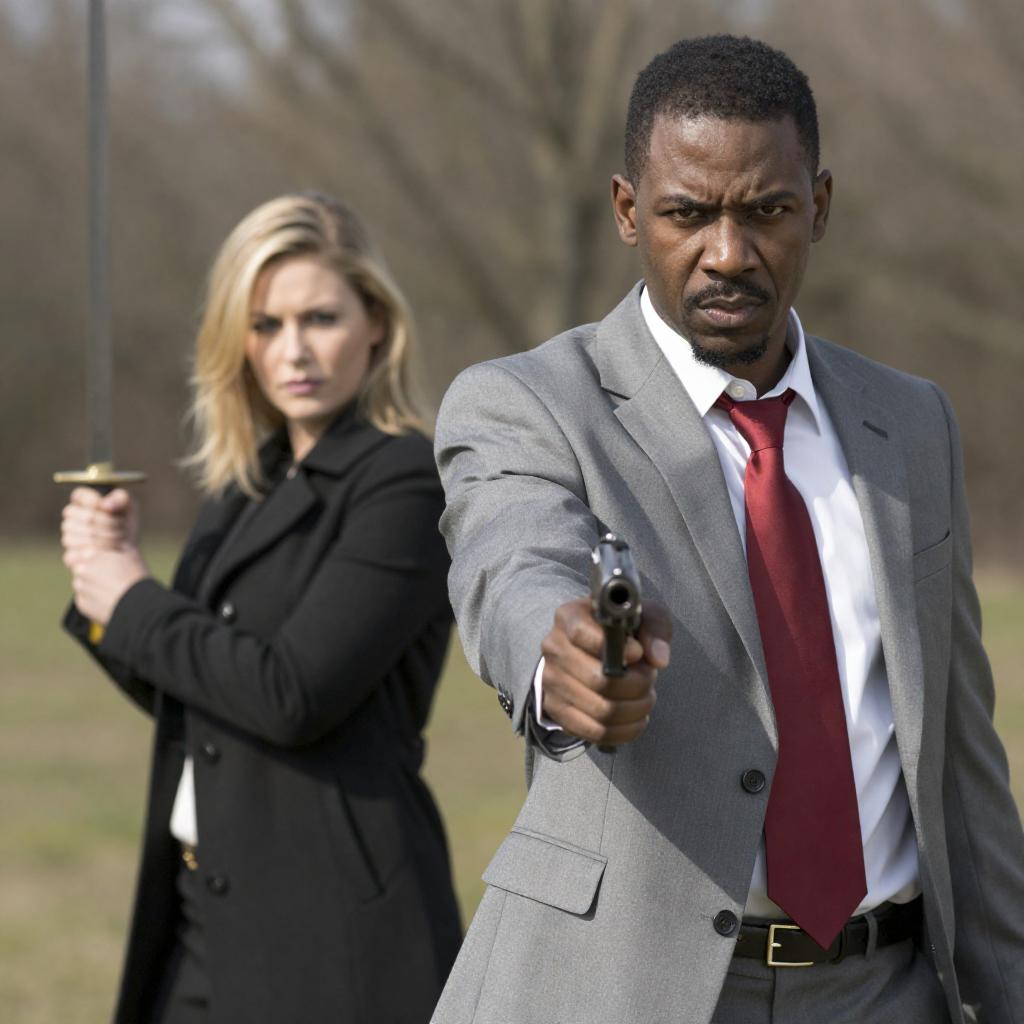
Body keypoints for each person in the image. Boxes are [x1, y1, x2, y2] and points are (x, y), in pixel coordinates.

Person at [430, 34, 1024, 1024]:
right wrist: (558, 660)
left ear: (818, 206)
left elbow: (961, 759)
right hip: (633, 989)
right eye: (687, 214)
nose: (728, 253)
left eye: (766, 212)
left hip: (886, 987)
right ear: (628, 211)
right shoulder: (526, 404)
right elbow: (511, 559)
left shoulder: (912, 423)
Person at [60, 192, 462, 1024]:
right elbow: (204, 694)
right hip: (205, 912)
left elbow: (291, 694)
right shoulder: (248, 483)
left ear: (377, 322)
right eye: (266, 325)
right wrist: (103, 589)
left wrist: (131, 600)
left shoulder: (406, 482)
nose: (293, 350)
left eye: (320, 318)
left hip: (334, 927)